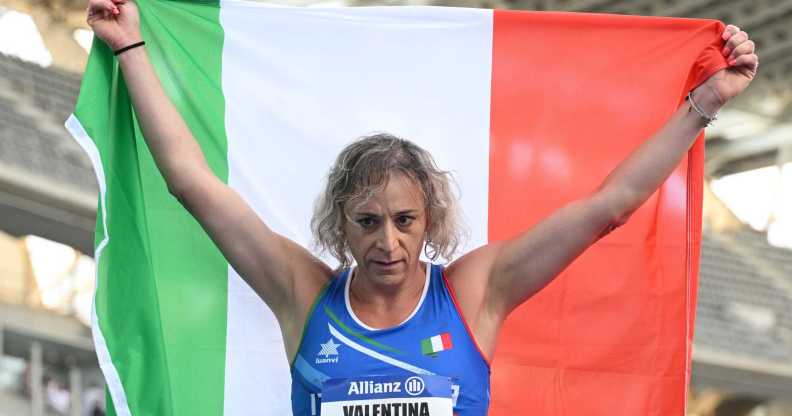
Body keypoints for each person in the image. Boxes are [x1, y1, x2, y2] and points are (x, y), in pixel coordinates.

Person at [85, 0, 758, 414]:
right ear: (339, 227)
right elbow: (192, 184)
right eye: (368, 222)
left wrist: (704, 106)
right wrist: (133, 48)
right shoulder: (302, 293)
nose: (388, 243)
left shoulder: (475, 291)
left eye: (405, 222)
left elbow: (608, 206)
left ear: (428, 222)